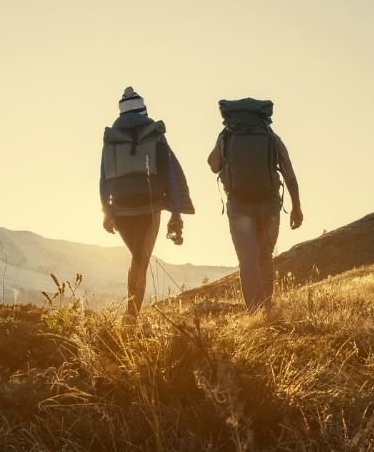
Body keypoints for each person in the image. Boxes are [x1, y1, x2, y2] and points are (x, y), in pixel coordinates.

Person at [99, 86, 193, 317]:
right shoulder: (155, 135)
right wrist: (176, 212)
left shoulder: (111, 139)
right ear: (144, 111)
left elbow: (103, 178)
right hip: (149, 208)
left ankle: (131, 315)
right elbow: (170, 173)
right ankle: (131, 317)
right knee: (141, 260)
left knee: (138, 259)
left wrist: (107, 212)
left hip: (120, 212)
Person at [206, 98, 302, 311]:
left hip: (239, 206)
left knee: (247, 260)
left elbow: (213, 165)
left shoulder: (227, 136)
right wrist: (296, 207)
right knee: (265, 257)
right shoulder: (270, 136)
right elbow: (289, 173)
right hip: (269, 205)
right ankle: (267, 307)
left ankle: (254, 311)